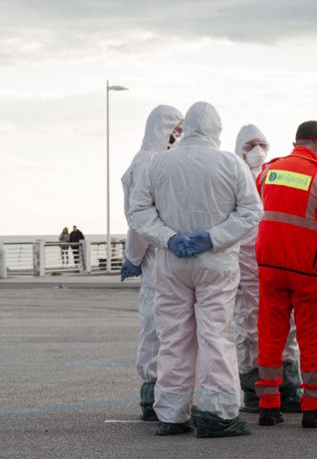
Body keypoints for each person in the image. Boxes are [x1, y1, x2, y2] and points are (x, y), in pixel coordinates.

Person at [130, 101, 262, 438]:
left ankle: (172, 414)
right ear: (216, 129)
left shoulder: (158, 164)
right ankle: (218, 413)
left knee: (173, 336)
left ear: (186, 127)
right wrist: (212, 238)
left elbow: (140, 211)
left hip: (171, 263)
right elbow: (250, 211)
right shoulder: (231, 164)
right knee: (215, 335)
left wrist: (169, 239)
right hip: (215, 264)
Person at [255, 120, 317, 429]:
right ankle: (312, 407)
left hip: (270, 267)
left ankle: (268, 407)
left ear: (296, 141)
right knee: (311, 340)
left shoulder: (268, 171)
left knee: (270, 338)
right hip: (308, 271)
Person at [232, 125, 302, 414]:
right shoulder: (233, 178)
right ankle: (254, 391)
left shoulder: (277, 174)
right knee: (248, 328)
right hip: (246, 264)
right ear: (240, 149)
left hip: (275, 260)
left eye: (262, 144)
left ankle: (287, 387)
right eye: (250, 145)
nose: (257, 150)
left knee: (286, 326)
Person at [120, 104, 184, 421]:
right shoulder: (149, 163)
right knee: (157, 327)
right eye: (176, 128)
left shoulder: (147, 160)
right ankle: (154, 396)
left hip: (160, 254)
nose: (179, 135)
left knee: (161, 326)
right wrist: (134, 255)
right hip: (157, 255)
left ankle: (158, 395)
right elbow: (140, 219)